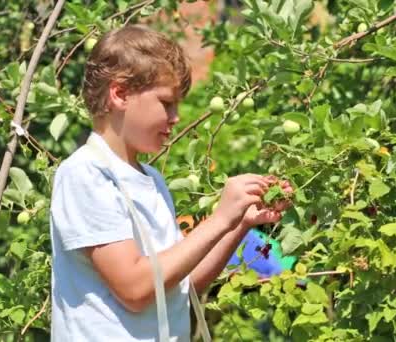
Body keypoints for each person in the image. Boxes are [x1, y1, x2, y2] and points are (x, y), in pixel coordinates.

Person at [49, 24, 291, 341]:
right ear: (119, 93)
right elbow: (135, 289)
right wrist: (218, 219)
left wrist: (239, 223)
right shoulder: (86, 173)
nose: (176, 117)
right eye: (166, 103)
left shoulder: (152, 179)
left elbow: (181, 285)